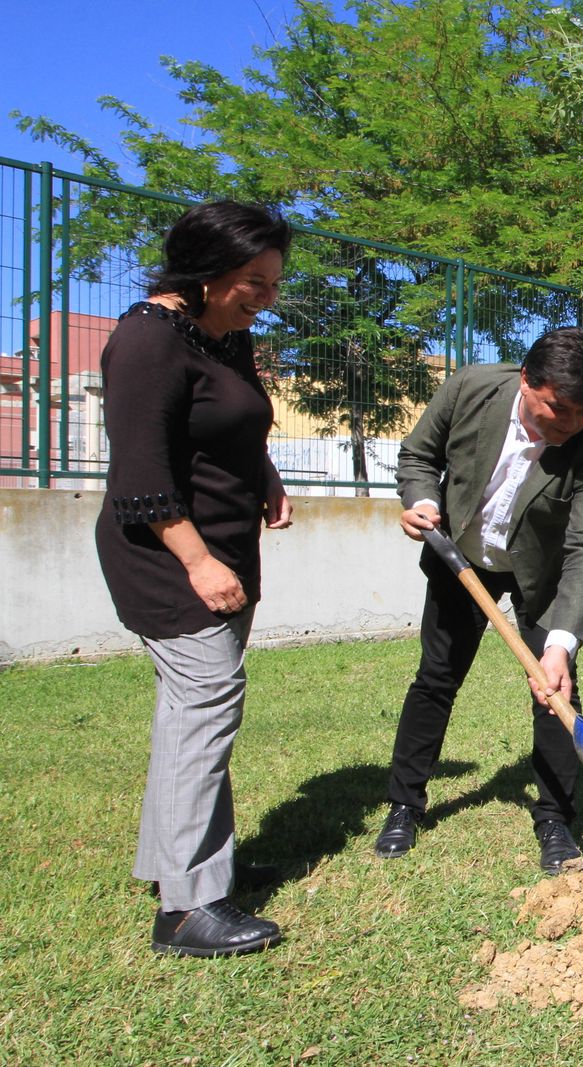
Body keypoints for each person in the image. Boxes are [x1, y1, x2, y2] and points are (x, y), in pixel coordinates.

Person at [95, 201, 295, 956]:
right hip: (168, 557)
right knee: (206, 705)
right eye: (252, 281)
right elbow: (140, 478)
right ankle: (186, 908)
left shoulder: (224, 336)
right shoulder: (146, 340)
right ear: (205, 269)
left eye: (273, 284)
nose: (263, 298)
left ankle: (196, 868)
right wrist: (199, 560)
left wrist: (265, 475)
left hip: (223, 549)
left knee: (190, 713)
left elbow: (237, 423)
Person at [375, 327, 583, 876]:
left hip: (543, 576)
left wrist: (560, 645)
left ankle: (555, 819)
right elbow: (418, 454)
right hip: (460, 558)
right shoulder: (470, 389)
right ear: (527, 382)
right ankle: (404, 804)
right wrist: (420, 500)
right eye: (558, 408)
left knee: (555, 690)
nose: (571, 423)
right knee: (436, 677)